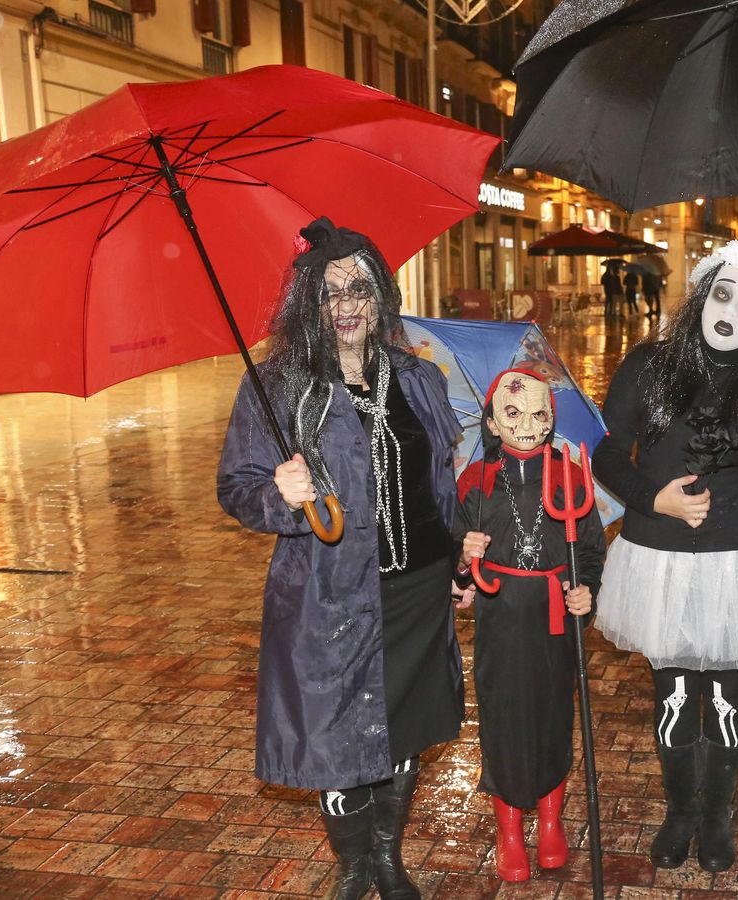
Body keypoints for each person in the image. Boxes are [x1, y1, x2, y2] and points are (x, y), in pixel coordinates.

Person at [217, 217, 466, 900]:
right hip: (328, 598)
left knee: (406, 728)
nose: (348, 304)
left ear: (381, 295)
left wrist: (460, 564)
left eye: (359, 287)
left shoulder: (418, 380)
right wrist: (279, 493)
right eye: (330, 292)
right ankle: (355, 864)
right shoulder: (277, 388)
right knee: (337, 739)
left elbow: (439, 481)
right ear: (309, 304)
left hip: (418, 589)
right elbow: (235, 489)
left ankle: (387, 855)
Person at [593, 241, 738, 873]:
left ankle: (717, 816)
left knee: (731, 690)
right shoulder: (649, 364)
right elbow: (605, 453)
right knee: (676, 689)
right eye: (724, 294)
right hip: (663, 556)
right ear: (702, 295)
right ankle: (681, 811)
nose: (731, 310)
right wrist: (655, 501)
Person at [454, 369, 605, 882]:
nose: (528, 423)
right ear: (493, 423)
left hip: (555, 614)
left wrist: (586, 586)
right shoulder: (475, 483)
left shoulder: (569, 475)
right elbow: (454, 561)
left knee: (553, 711)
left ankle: (551, 819)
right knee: (503, 716)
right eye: (512, 413)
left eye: (540, 413)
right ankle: (510, 830)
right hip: (499, 617)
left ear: (552, 418)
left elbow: (590, 547)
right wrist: (463, 559)